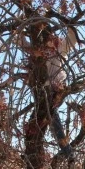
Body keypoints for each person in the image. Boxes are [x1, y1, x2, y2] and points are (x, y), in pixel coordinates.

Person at [18, 25, 78, 161]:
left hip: (55, 90)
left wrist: (68, 23)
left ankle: (68, 153)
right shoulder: (39, 51)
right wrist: (19, 30)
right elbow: (22, 43)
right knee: (37, 120)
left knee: (51, 117)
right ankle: (33, 153)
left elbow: (72, 39)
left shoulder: (59, 48)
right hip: (40, 90)